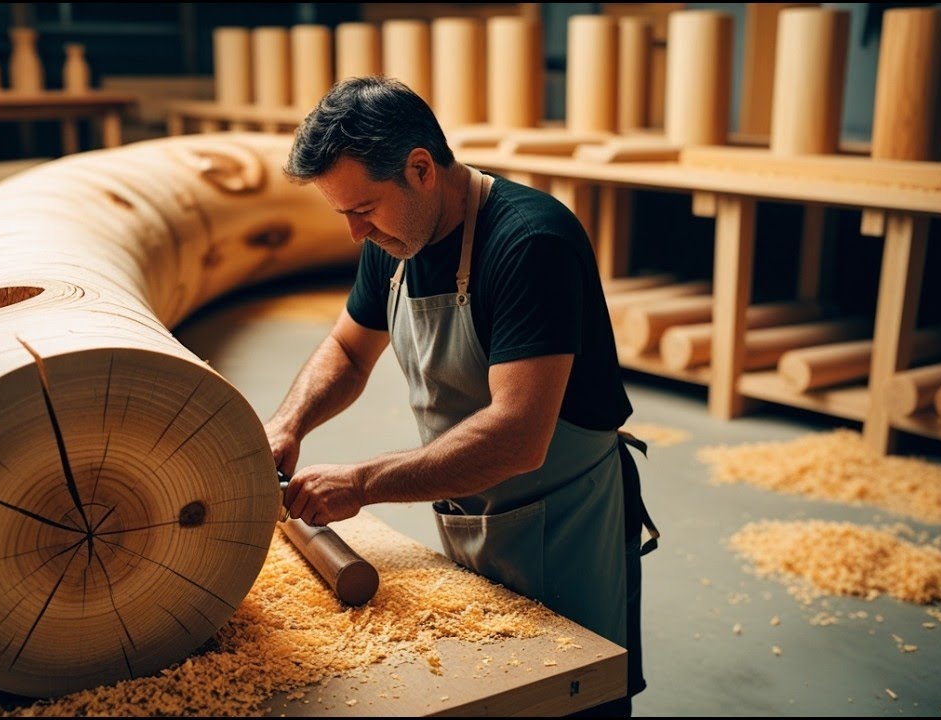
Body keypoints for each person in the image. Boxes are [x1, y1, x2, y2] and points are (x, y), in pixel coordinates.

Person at [265, 76, 658, 717]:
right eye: (344, 214)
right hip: (472, 514)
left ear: (421, 168)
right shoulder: (394, 241)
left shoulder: (529, 242)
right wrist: (287, 423)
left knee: (574, 693)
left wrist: (361, 483)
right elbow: (346, 350)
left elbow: (517, 435)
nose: (355, 233)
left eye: (362, 209)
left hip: (564, 526)